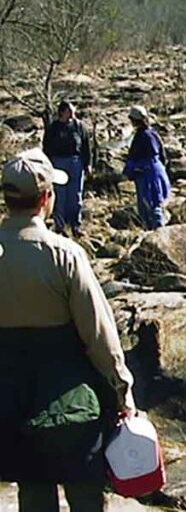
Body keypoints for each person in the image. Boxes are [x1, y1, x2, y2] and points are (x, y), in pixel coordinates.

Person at [0, 149, 135, 512]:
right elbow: (98, 335)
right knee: (86, 495)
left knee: (33, 492)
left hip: (10, 402)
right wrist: (122, 391)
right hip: (71, 403)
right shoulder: (65, 254)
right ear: (46, 198)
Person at [41, 100, 92, 237]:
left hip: (76, 162)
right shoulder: (53, 128)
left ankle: (76, 225)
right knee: (60, 195)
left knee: (75, 195)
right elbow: (46, 147)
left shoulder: (79, 126)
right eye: (69, 111)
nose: (72, 114)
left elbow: (86, 146)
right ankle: (60, 225)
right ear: (62, 112)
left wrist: (88, 164)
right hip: (58, 163)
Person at [124, 106, 170, 230]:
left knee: (151, 205)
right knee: (155, 203)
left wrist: (131, 170)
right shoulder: (153, 134)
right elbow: (163, 155)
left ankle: (158, 232)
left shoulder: (142, 136)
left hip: (147, 174)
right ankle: (154, 230)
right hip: (157, 170)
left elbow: (135, 156)